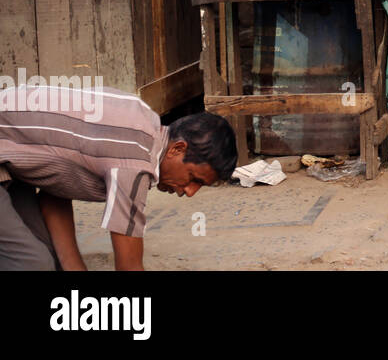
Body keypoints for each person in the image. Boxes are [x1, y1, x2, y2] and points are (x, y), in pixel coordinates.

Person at [0, 87, 236, 270]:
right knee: (32, 264)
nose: (190, 192)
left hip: (13, 167)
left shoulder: (144, 120)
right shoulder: (134, 161)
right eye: (194, 179)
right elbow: (129, 267)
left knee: (48, 257)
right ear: (177, 149)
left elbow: (54, 196)